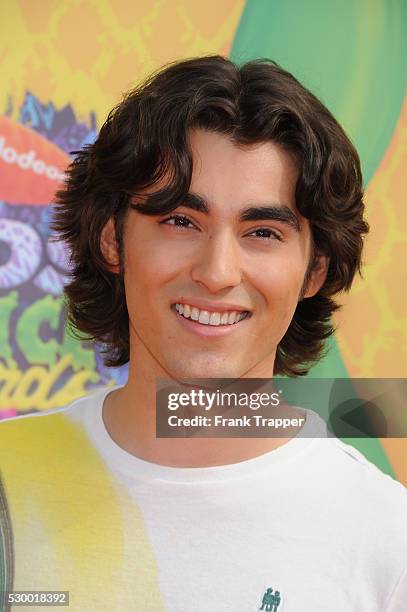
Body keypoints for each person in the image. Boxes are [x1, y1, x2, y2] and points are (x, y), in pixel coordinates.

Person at [0, 56, 406, 612]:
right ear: (112, 240)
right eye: (180, 221)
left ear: (314, 270)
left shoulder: (385, 537)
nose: (217, 273)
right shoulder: (7, 477)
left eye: (262, 232)